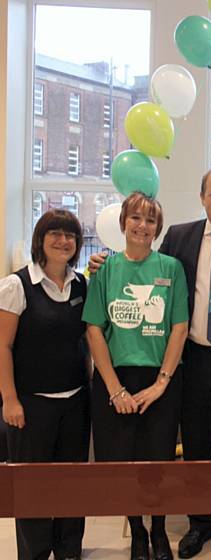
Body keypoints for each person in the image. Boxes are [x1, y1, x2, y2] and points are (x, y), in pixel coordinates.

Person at [90, 166, 211, 560]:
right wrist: (100, 264)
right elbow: (141, 263)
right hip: (190, 363)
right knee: (195, 450)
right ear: (202, 197)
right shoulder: (180, 237)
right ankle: (199, 525)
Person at [83, 192, 189, 560]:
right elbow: (94, 329)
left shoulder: (171, 268)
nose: (143, 226)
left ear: (157, 228)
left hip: (160, 378)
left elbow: (179, 326)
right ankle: (138, 531)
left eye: (150, 221)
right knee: (124, 461)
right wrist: (115, 390)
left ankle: (159, 530)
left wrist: (161, 383)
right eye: (136, 219)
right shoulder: (105, 270)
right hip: (116, 380)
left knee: (157, 461)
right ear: (123, 222)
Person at [0, 209, 90, 560]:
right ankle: (35, 552)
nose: (63, 240)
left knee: (72, 483)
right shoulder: (16, 285)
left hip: (76, 400)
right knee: (33, 487)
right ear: (41, 239)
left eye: (70, 235)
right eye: (54, 233)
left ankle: (69, 549)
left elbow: (85, 343)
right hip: (31, 404)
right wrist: (9, 400)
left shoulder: (81, 284)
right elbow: (3, 347)